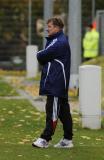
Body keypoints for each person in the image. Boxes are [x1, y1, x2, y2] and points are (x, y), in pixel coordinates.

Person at [32, 17, 73, 148]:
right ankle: (67, 140)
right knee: (64, 112)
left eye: (49, 26)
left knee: (52, 111)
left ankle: (45, 139)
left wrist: (41, 55)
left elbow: (41, 55)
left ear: (57, 27)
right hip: (56, 82)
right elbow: (45, 57)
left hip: (57, 83)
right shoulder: (56, 40)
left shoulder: (59, 42)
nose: (47, 28)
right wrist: (44, 56)